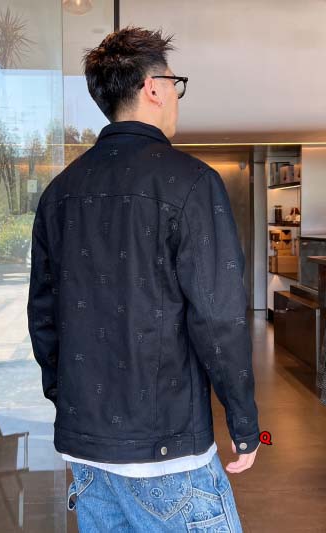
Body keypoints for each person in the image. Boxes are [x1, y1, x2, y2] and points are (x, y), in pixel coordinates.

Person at [27, 26, 261, 532]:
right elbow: (218, 318)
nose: (176, 96)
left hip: (86, 452)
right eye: (175, 84)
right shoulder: (192, 182)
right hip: (168, 452)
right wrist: (244, 422)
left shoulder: (59, 193)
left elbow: (43, 318)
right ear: (154, 87)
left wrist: (72, 400)